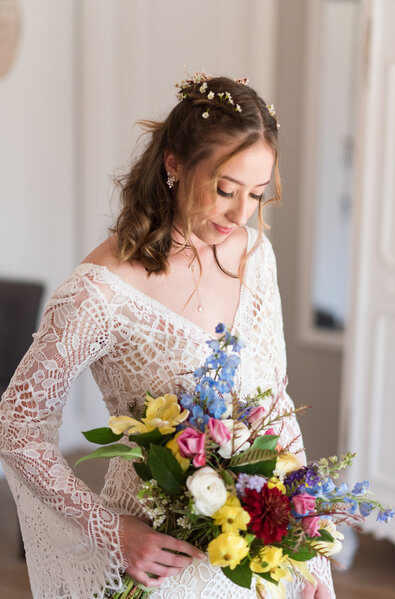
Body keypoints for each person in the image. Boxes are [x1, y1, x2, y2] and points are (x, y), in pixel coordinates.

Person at [0, 74, 334, 599]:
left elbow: (276, 402)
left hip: (251, 561)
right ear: (173, 163)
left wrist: (307, 548)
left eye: (256, 194)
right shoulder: (101, 291)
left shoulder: (254, 255)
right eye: (225, 189)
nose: (240, 213)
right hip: (157, 569)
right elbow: (17, 425)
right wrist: (113, 531)